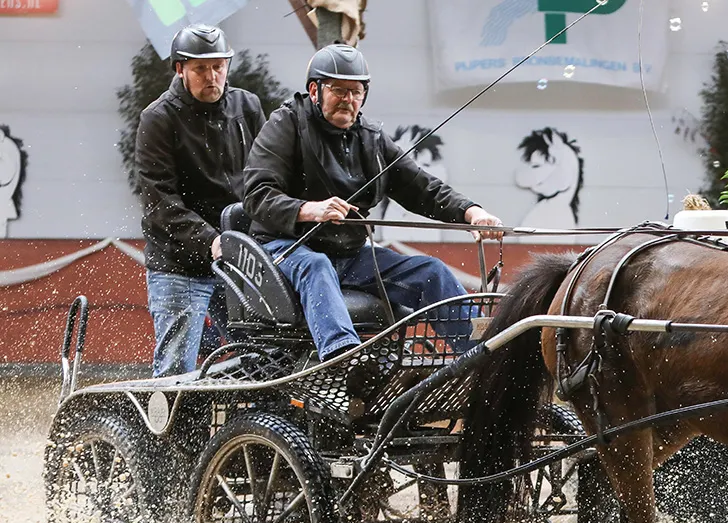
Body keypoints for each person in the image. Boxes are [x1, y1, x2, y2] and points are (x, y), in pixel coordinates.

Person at [242, 42, 503, 367]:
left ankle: (487, 360)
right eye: (339, 90)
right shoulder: (286, 124)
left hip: (350, 255)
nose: (348, 100)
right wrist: (309, 210)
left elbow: (421, 187)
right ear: (314, 89)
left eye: (357, 92)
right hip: (285, 250)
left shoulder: (372, 138)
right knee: (316, 265)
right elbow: (256, 194)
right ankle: (345, 359)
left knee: (431, 271)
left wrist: (471, 212)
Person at [136, 24, 265, 376]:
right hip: (178, 264)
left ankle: (247, 431)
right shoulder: (157, 119)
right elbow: (160, 203)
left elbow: (265, 178)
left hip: (240, 257)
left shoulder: (247, 107)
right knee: (176, 369)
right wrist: (211, 241)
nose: (212, 77)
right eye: (200, 68)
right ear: (180, 68)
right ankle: (170, 432)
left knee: (262, 361)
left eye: (218, 66)